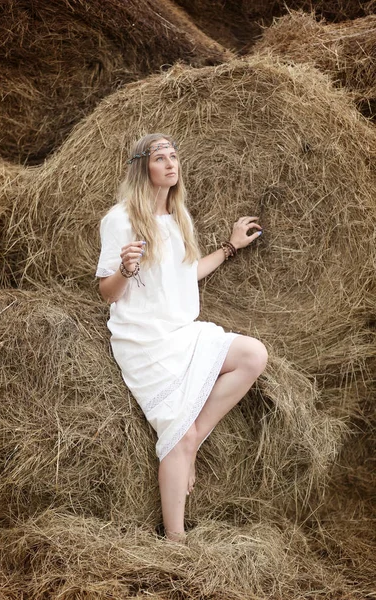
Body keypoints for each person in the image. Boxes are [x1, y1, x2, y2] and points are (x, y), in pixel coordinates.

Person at [96, 133, 268, 542]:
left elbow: (185, 273)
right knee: (176, 438)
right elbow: (107, 292)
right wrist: (125, 268)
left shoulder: (180, 217)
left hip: (183, 332)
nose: (171, 163)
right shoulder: (119, 219)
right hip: (145, 343)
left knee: (253, 355)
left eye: (174, 156)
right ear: (143, 166)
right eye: (160, 157)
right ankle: (176, 540)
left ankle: (190, 441)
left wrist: (230, 247)